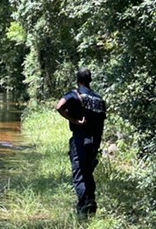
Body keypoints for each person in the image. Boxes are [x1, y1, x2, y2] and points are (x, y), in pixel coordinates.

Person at [55, 67, 106, 218]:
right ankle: (91, 204)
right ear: (90, 81)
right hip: (94, 142)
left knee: (79, 174)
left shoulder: (74, 94)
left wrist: (75, 121)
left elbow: (59, 106)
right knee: (88, 173)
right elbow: (101, 125)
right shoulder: (100, 99)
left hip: (80, 139)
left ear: (78, 81)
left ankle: (83, 207)